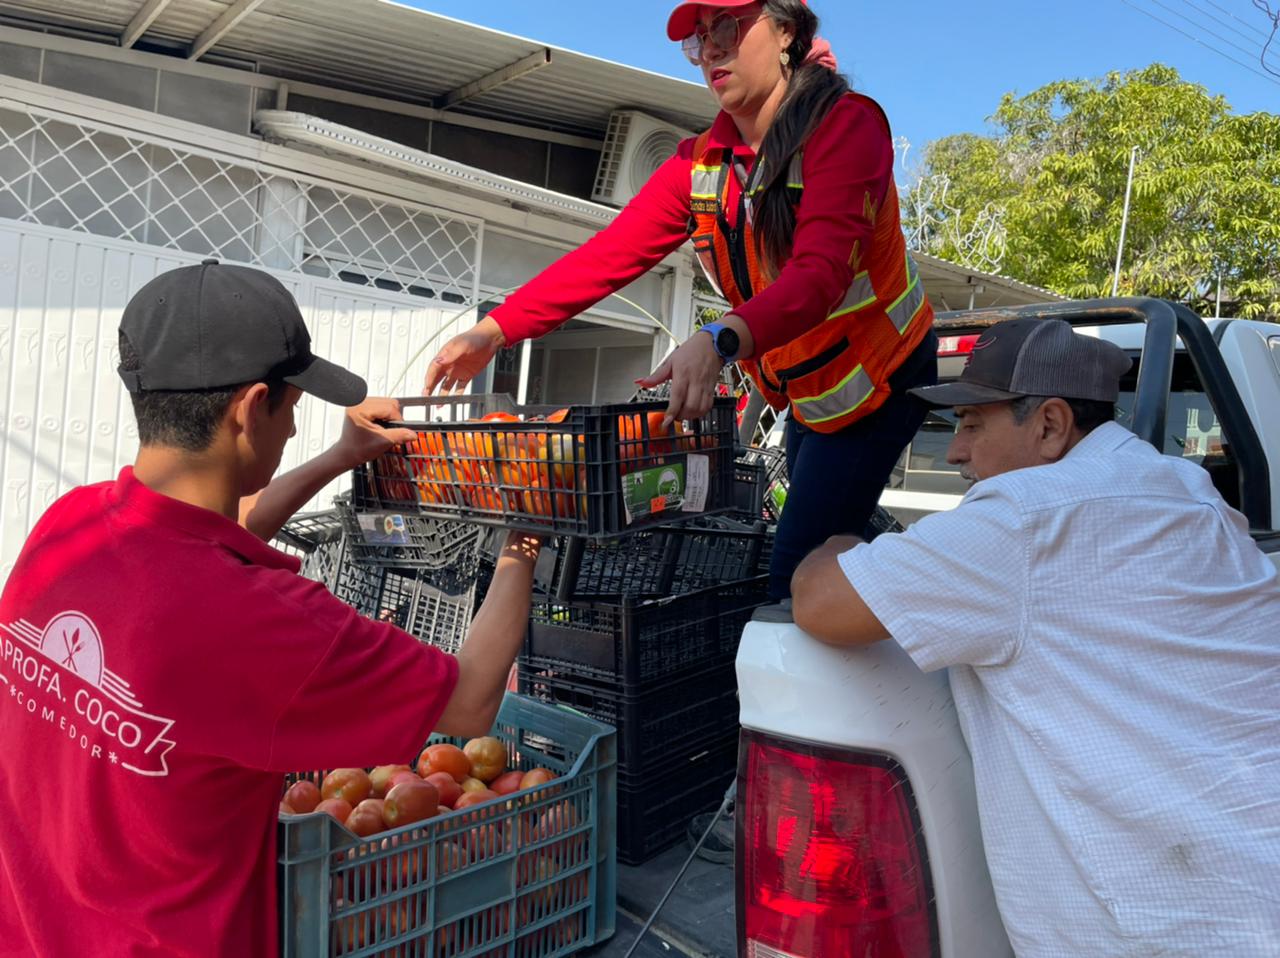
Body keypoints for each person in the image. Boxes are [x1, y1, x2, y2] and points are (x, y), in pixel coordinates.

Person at [0, 261, 542, 957]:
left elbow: (209, 545)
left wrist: (337, 458)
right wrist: (525, 532)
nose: (291, 429)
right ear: (252, 408)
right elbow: (467, 707)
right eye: (291, 407)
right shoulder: (265, 622)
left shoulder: (67, 529)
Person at [791, 318, 1280, 956]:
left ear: (1049, 424)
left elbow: (820, 602)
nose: (957, 453)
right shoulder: (1189, 491)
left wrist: (839, 541)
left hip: (1173, 929)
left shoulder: (1025, 520)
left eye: (972, 425)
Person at [426, 0, 938, 602]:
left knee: (796, 584)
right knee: (817, 558)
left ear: (787, 33)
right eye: (698, 40)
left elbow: (820, 276)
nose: (711, 51)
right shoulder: (700, 165)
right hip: (812, 388)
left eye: (727, 28)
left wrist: (719, 338)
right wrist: (494, 331)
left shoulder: (847, 127)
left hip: (879, 377)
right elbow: (607, 257)